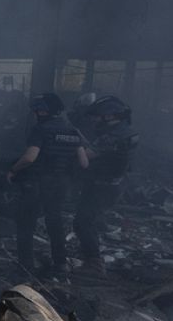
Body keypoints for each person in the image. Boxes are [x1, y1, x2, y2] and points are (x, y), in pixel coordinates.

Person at [7, 93, 89, 275]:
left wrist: (13, 170)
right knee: (55, 220)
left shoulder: (41, 130)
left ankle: (25, 266)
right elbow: (84, 163)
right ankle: (60, 263)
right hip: (61, 184)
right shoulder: (73, 131)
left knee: (26, 222)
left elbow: (30, 157)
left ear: (42, 111)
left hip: (38, 182)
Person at [73, 96, 138, 274]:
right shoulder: (126, 131)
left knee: (83, 222)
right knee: (92, 220)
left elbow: (86, 158)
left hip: (103, 185)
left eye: (99, 116)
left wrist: (76, 143)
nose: (96, 120)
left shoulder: (113, 136)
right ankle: (89, 255)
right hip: (111, 184)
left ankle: (94, 263)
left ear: (110, 116)